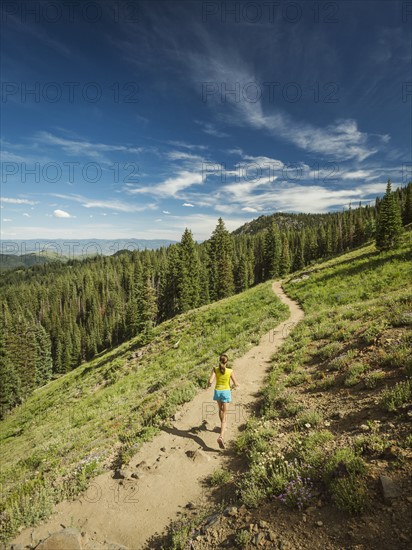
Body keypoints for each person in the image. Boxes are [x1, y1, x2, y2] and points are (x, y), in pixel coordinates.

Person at [207, 353, 239, 449]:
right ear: (227, 362)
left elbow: (210, 382)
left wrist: (208, 384)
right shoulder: (230, 371)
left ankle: (222, 427)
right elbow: (236, 383)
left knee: (220, 410)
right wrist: (233, 387)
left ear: (219, 361)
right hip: (226, 392)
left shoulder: (215, 369)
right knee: (225, 415)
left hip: (217, 392)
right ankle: (221, 436)